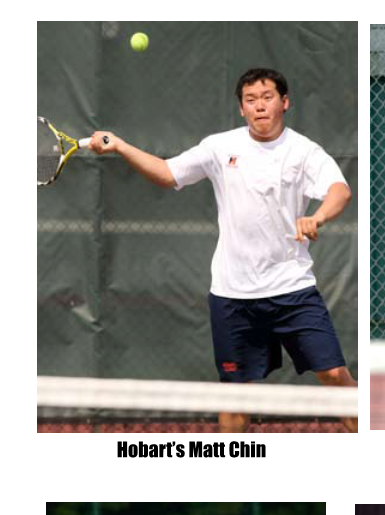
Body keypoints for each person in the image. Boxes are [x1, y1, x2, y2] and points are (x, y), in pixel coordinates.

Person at [88, 68, 356, 433]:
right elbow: (168, 173)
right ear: (241, 109)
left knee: (336, 375)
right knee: (234, 397)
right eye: (251, 100)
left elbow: (339, 190)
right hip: (233, 296)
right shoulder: (219, 147)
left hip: (292, 289)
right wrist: (119, 145)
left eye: (267, 97)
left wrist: (318, 216)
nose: (260, 106)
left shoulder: (304, 151)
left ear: (285, 102)